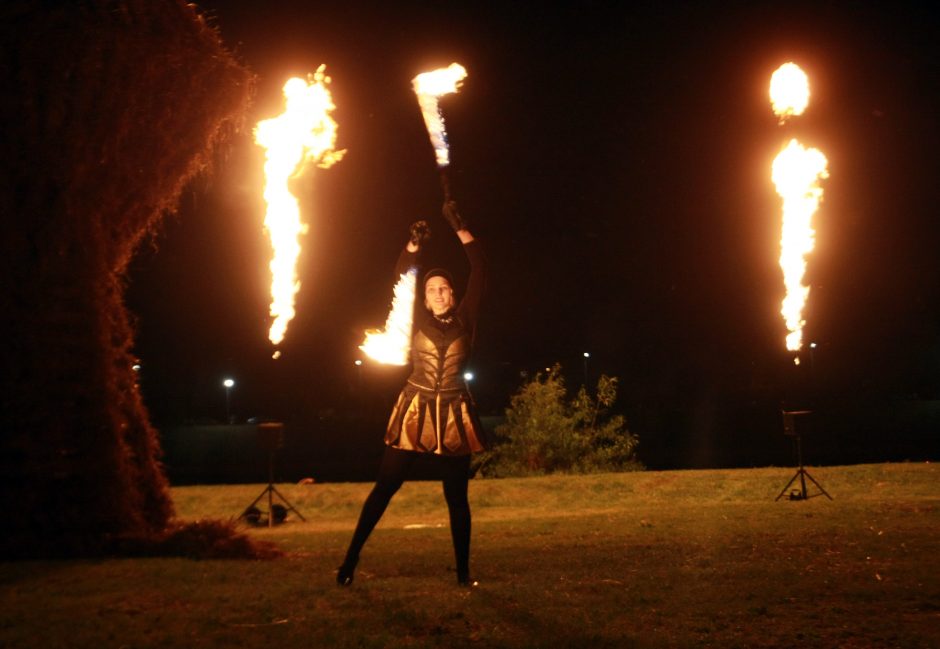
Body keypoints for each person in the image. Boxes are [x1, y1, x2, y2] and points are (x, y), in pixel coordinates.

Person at [337, 199, 487, 587]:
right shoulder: (417, 316)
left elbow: (481, 269)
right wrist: (413, 245)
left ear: (453, 294)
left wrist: (460, 227)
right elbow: (403, 274)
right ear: (424, 298)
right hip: (415, 407)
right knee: (386, 486)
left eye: (444, 288)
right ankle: (349, 563)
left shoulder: (466, 319)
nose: (438, 293)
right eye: (432, 289)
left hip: (454, 410)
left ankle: (464, 573)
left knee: (456, 498)